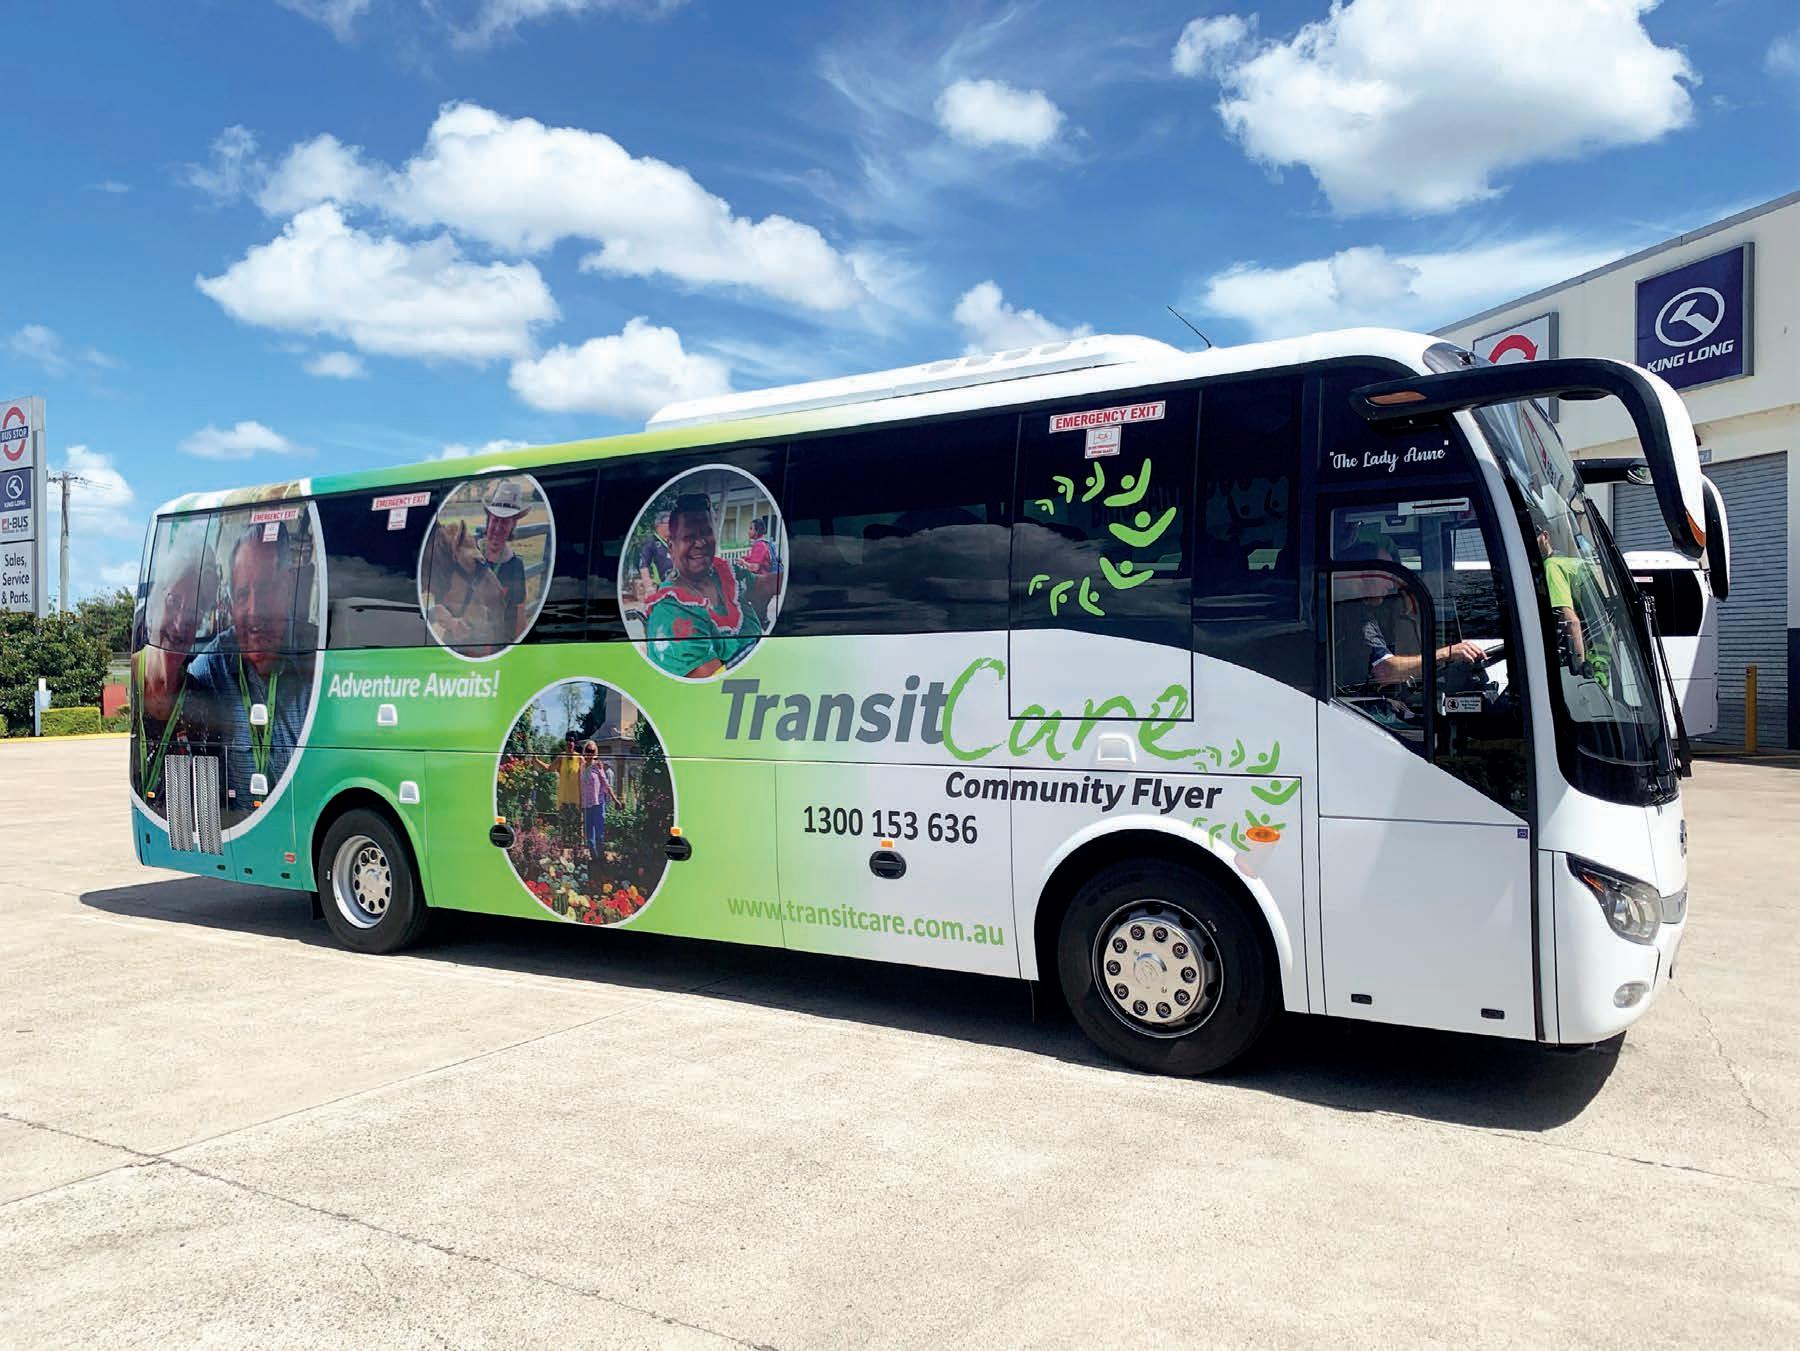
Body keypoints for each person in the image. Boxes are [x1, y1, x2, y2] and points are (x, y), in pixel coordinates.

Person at [182, 520, 311, 823]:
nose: (255, 612)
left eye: (266, 590)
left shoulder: (318, 659)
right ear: (231, 604)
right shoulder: (209, 669)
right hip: (244, 830)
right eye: (242, 595)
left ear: (288, 589)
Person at [642, 493, 781, 678]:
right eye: (689, 536)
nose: (700, 542)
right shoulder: (669, 610)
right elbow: (712, 681)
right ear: (671, 545)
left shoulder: (724, 573)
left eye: (707, 532)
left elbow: (764, 585)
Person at [1335, 542, 1485, 692]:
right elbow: (1385, 671)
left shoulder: (1357, 610)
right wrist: (1448, 653)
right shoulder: (1351, 614)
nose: (1390, 586)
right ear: (1364, 574)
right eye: (1386, 576)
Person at [425, 477, 532, 654]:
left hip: (494, 651)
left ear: (513, 524)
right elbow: (440, 601)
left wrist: (521, 651)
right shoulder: (464, 552)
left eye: (505, 521)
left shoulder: (515, 566)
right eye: (495, 519)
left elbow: (518, 616)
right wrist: (452, 622)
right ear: (488, 519)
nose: (498, 527)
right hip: (459, 649)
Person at [579, 740, 618, 859]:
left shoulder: (598, 766)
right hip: (586, 805)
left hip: (598, 804)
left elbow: (606, 784)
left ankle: (601, 860)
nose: (589, 753)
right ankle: (594, 860)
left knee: (599, 835)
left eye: (592, 751)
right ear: (584, 751)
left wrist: (615, 800)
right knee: (589, 836)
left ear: (595, 753)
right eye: (588, 750)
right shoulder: (582, 767)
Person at [637, 512, 675, 597]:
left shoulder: (676, 540)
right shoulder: (651, 543)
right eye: (668, 523)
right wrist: (648, 587)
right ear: (658, 525)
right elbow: (643, 566)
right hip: (665, 586)